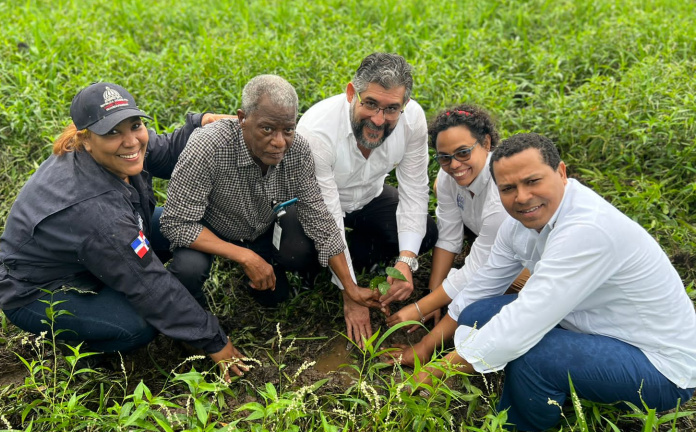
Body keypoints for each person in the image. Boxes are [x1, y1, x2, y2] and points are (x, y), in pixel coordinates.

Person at [391, 133, 696, 431]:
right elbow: (480, 287)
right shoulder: (516, 225)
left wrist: (440, 370)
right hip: (589, 324)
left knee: (532, 355)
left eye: (533, 181)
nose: (522, 197)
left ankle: (517, 423)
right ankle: (533, 383)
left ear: (561, 173)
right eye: (508, 188)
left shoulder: (588, 229)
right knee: (476, 316)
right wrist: (426, 348)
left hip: (658, 365)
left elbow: (524, 322)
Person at [0, 82, 248, 381]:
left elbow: (167, 149)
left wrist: (203, 123)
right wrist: (215, 341)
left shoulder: (123, 148)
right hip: (37, 290)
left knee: (186, 229)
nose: (131, 141)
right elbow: (150, 285)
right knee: (140, 325)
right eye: (112, 132)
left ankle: (172, 310)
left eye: (135, 125)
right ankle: (85, 343)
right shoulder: (95, 211)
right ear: (85, 139)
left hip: (96, 246)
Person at [159, 75, 380, 346]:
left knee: (276, 298)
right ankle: (192, 322)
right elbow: (176, 223)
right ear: (242, 118)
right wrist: (245, 257)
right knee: (189, 269)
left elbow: (319, 219)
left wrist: (351, 288)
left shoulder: (297, 150)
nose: (279, 142)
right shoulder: (209, 146)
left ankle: (255, 272)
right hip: (209, 228)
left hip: (260, 229)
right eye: (267, 129)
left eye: (287, 130)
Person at [297, 52, 438, 344]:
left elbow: (414, 189)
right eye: (370, 103)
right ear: (352, 93)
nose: (378, 119)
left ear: (405, 106)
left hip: (370, 196)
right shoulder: (315, 132)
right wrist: (349, 289)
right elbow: (327, 217)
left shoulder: (413, 120)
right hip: (317, 205)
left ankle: (355, 256)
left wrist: (406, 261)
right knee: (295, 252)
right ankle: (326, 267)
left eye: (391, 109)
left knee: (425, 234)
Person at [386, 105, 528, 334]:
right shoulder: (447, 178)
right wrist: (434, 294)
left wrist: (420, 308)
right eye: (445, 157)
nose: (454, 165)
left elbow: (481, 266)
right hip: (492, 247)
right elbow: (449, 237)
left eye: (463, 153)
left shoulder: (501, 193)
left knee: (490, 298)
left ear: (487, 144)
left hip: (527, 259)